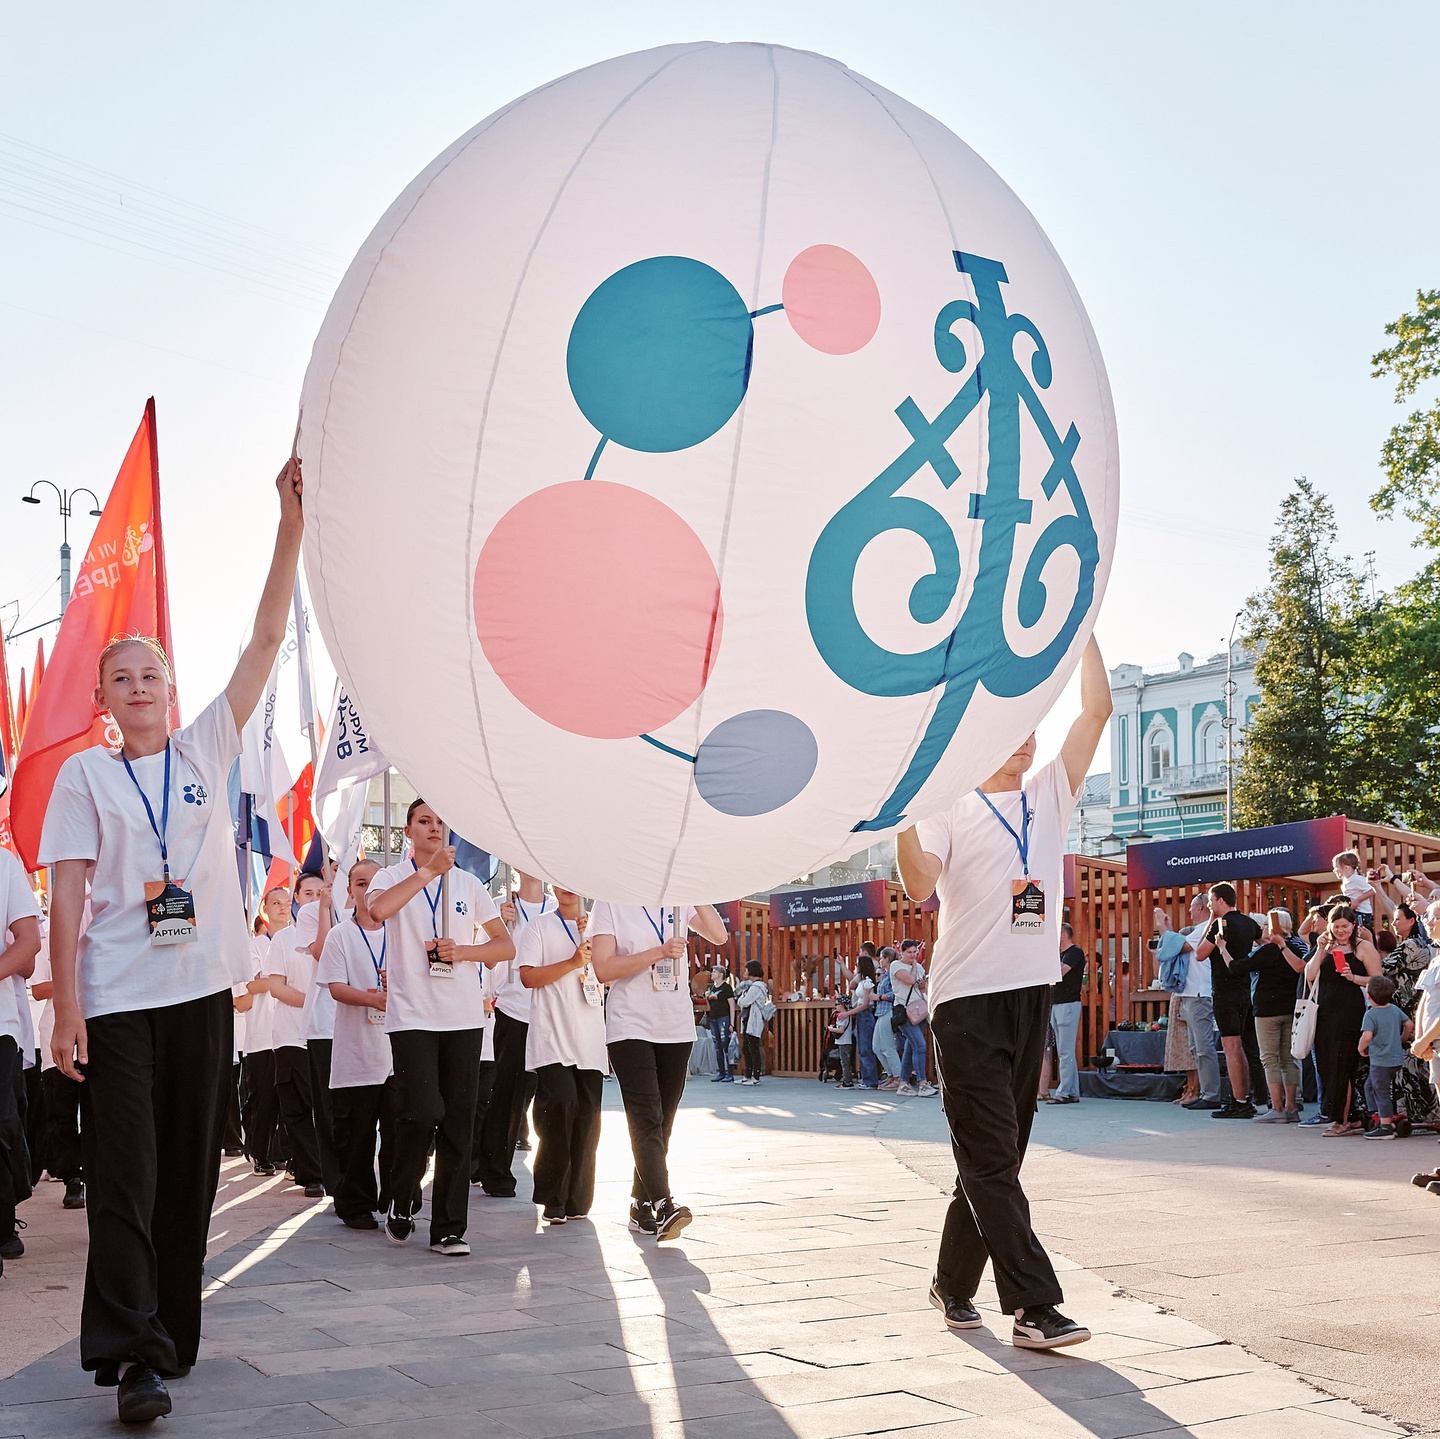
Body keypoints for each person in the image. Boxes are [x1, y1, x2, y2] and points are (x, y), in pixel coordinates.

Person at [40, 457, 302, 1422]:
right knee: (127, 1172)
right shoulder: (85, 780)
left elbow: (268, 637)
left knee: (190, 1171)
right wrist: (66, 1005)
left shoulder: (206, 747)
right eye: (122, 676)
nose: (139, 684)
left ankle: (172, 1332)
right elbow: (68, 895)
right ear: (103, 699)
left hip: (199, 995)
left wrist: (291, 526)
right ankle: (131, 1354)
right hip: (115, 1001)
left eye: (151, 671)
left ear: (171, 685)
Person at [897, 633, 1110, 1351]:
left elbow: (1097, 710)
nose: (1026, 739)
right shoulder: (946, 804)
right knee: (991, 1158)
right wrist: (901, 815)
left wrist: (1080, 632)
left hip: (1030, 996)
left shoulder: (1050, 791)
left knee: (997, 1157)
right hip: (964, 1001)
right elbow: (919, 883)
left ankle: (952, 1284)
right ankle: (1034, 1306)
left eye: (1031, 727)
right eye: (1009, 729)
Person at [365, 800, 514, 1254]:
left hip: (463, 1017)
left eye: (440, 822)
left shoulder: (469, 884)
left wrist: (462, 953)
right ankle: (403, 1195)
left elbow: (503, 946)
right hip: (412, 1017)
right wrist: (428, 873)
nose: (433, 828)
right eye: (424, 822)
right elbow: (377, 912)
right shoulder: (393, 878)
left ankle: (449, 1228)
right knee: (422, 1110)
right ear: (408, 831)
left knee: (458, 1122)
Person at [589, 900, 728, 1240]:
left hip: (676, 1027)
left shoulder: (679, 899)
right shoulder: (610, 901)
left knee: (663, 1119)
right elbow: (603, 968)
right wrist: (658, 952)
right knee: (646, 1116)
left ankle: (640, 1203)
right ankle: (664, 1205)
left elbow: (719, 936)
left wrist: (694, 890)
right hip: (629, 1025)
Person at [517, 886, 606, 1224]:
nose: (567, 888)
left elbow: (607, 974)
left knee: (587, 1116)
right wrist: (571, 962)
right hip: (552, 1035)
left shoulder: (598, 927)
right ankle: (552, 1196)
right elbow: (527, 977)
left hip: (589, 1037)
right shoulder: (538, 926)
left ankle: (577, 1199)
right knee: (560, 1105)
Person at [317, 859, 398, 1228]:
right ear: (349, 892)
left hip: (397, 1056)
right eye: (360, 883)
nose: (367, 890)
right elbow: (335, 987)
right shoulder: (340, 936)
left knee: (400, 1134)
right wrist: (375, 999)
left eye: (375, 882)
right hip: (356, 1057)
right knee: (358, 1138)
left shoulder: (401, 932)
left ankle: (398, 1198)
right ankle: (356, 1205)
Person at [472, 873, 544, 1197]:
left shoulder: (558, 908)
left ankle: (553, 1178)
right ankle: (495, 1172)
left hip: (550, 1015)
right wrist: (501, 927)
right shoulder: (504, 911)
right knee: (508, 1095)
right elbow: (493, 970)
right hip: (514, 1011)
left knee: (545, 1094)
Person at [265, 871, 328, 1200]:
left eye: (322, 893)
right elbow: (276, 986)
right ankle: (312, 1172)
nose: (315, 900)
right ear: (297, 900)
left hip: (328, 1033)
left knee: (327, 1106)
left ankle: (330, 1166)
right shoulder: (284, 939)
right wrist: (313, 1003)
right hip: (292, 1035)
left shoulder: (337, 934)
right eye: (308, 894)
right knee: (300, 1107)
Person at [0, 846, 42, 1271]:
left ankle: (4, 1219)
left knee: (4, 1123)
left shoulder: (4, 863)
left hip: (0, 1024)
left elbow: (28, 943)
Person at [1305, 905, 1381, 1137]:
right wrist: (1319, 950)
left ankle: (1343, 1120)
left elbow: (1378, 980)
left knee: (1343, 1066)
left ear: (1353, 925)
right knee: (1327, 1067)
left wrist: (1353, 977)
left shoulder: (1362, 947)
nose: (1340, 931)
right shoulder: (1325, 946)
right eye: (1336, 926)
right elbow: (1308, 975)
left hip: (1349, 1013)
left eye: (1345, 926)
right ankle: (1347, 1116)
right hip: (1325, 1013)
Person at [1230, 909, 1306, 1122]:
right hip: (1291, 1008)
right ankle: (1292, 1107)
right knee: (1288, 1059)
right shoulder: (1297, 947)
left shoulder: (1269, 950)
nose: (1262, 930)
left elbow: (1237, 967)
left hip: (1267, 1010)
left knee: (1269, 1059)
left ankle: (1278, 1108)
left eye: (1265, 926)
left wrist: (1222, 949)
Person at [1195, 883, 1263, 1118]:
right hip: (1245, 990)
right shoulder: (1248, 922)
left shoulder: (1219, 924)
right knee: (1240, 1046)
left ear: (1221, 901)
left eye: (1212, 902)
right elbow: (1263, 941)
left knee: (1231, 1047)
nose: (1211, 906)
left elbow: (1199, 953)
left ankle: (1240, 1100)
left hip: (1225, 990)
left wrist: (1210, 922)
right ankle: (1244, 1097)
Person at [29, 941, 85, 1210]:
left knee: (102, 1114)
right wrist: (77, 978)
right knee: (61, 1116)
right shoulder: (47, 937)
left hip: (101, 1033)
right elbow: (39, 989)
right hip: (57, 1035)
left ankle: (96, 1176)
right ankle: (72, 1180)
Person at [241, 892, 283, 1176]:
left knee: (290, 1099)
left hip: (291, 1033)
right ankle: (260, 1152)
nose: (283, 907)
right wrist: (280, 980)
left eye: (287, 902)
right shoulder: (254, 945)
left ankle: (285, 1153)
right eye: (276, 903)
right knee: (263, 1099)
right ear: (264, 909)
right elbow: (254, 984)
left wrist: (275, 981)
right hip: (262, 1035)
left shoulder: (298, 941)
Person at [1359, 974, 1411, 1139]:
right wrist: (1402, 1039)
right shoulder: (1394, 1010)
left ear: (1369, 995)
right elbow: (1409, 1024)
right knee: (1371, 1086)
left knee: (1381, 1091)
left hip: (1380, 1060)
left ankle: (1386, 1125)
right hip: (1395, 1058)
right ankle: (1377, 1113)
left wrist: (1361, 1048)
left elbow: (1367, 1036)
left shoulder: (1371, 1014)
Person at [1046, 923, 1084, 1104]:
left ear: (1063, 934)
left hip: (1067, 1004)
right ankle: (1072, 1091)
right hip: (1058, 1004)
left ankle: (1063, 1092)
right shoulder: (1061, 955)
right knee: (1064, 1050)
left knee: (1065, 1051)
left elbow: (1059, 972)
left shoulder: (1074, 953)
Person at [870, 947, 903, 1090]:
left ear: (887, 959)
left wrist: (879, 997)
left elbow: (895, 992)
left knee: (888, 1046)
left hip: (888, 1010)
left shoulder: (892, 974)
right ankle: (891, 1075)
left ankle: (898, 1077)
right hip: (881, 1011)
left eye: (882, 958)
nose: (880, 960)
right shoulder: (885, 974)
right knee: (877, 1047)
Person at [849, 955, 880, 1090]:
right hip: (861, 1014)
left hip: (865, 1014)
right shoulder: (862, 981)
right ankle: (867, 1078)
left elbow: (866, 1004)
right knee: (863, 1048)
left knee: (866, 1048)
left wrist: (849, 1012)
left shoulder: (867, 982)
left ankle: (870, 1080)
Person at [735, 960, 769, 1086]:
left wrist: (741, 999)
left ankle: (756, 1076)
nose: (745, 972)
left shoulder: (756, 987)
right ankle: (748, 1075)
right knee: (747, 1048)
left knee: (753, 1048)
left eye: (746, 969)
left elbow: (745, 1002)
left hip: (753, 1020)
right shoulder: (755, 986)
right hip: (749, 1020)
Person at [704, 965, 736, 1084]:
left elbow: (731, 1006)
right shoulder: (712, 988)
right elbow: (710, 1006)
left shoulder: (726, 988)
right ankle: (721, 1072)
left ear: (721, 974)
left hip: (724, 1018)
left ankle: (730, 1073)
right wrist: (707, 997)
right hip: (713, 1018)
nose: (712, 973)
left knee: (725, 1045)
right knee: (717, 1046)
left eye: (714, 971)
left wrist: (731, 1022)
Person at [1333, 852, 1375, 930]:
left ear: (1346, 868)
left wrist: (1357, 900)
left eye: (1336, 867)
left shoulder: (1357, 879)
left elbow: (1372, 890)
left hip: (1362, 913)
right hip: (1354, 911)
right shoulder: (1347, 880)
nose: (1334, 870)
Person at [824, 1004, 855, 1086]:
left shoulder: (842, 1016)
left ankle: (847, 1081)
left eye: (837, 1004)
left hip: (844, 1041)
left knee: (845, 1062)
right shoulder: (847, 1016)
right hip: (845, 1041)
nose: (836, 1006)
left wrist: (831, 1029)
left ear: (842, 1005)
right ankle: (847, 1080)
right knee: (845, 1061)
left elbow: (841, 1030)